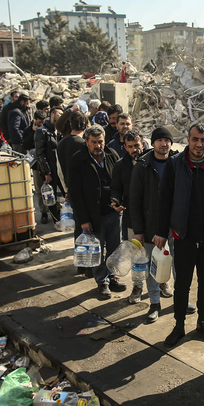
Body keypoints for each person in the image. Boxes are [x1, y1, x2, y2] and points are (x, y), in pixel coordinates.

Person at [154, 123, 204, 347]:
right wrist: (161, 232)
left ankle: (202, 321)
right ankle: (179, 325)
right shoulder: (175, 165)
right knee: (183, 283)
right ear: (188, 139)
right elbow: (164, 200)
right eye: (195, 139)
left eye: (203, 140)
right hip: (183, 236)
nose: (199, 144)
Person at [67, 124, 125, 299]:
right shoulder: (78, 160)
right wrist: (83, 219)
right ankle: (102, 282)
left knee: (114, 248)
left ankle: (112, 276)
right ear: (86, 142)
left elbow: (119, 182)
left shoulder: (111, 155)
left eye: (100, 141)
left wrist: (120, 201)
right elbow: (75, 194)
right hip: (93, 215)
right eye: (93, 142)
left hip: (113, 213)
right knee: (97, 250)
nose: (98, 145)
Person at [129, 127, 177, 322]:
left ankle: (180, 301)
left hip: (176, 227)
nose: (163, 144)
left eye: (167, 140)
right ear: (153, 142)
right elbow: (134, 200)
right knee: (153, 268)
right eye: (159, 140)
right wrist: (139, 231)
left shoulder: (178, 163)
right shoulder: (142, 166)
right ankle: (154, 304)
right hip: (151, 226)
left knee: (179, 267)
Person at [111, 128, 145, 244]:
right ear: (125, 147)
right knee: (134, 254)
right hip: (131, 217)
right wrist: (116, 201)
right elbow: (116, 188)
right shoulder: (120, 166)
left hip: (152, 217)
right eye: (130, 146)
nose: (134, 149)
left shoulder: (150, 162)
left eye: (136, 145)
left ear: (143, 144)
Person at [35, 107, 64, 223]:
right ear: (52, 114)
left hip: (60, 168)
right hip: (50, 168)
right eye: (59, 113)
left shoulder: (59, 131)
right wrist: (46, 172)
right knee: (51, 196)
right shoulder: (41, 131)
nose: (61, 116)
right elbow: (40, 153)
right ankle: (56, 220)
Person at [56, 111, 89, 194]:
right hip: (84, 189)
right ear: (86, 126)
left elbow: (59, 170)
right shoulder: (85, 144)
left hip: (69, 189)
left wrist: (66, 190)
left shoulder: (61, 144)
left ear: (71, 124)